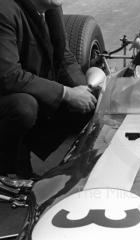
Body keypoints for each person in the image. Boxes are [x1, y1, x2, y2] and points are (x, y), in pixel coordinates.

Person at [0, 0, 97, 178]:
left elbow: (64, 55)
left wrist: (83, 89)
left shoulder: (51, 6)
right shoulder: (4, 10)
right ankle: (10, 167)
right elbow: (8, 76)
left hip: (30, 88)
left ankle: (24, 148)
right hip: (7, 94)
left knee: (91, 101)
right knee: (24, 107)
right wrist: (66, 93)